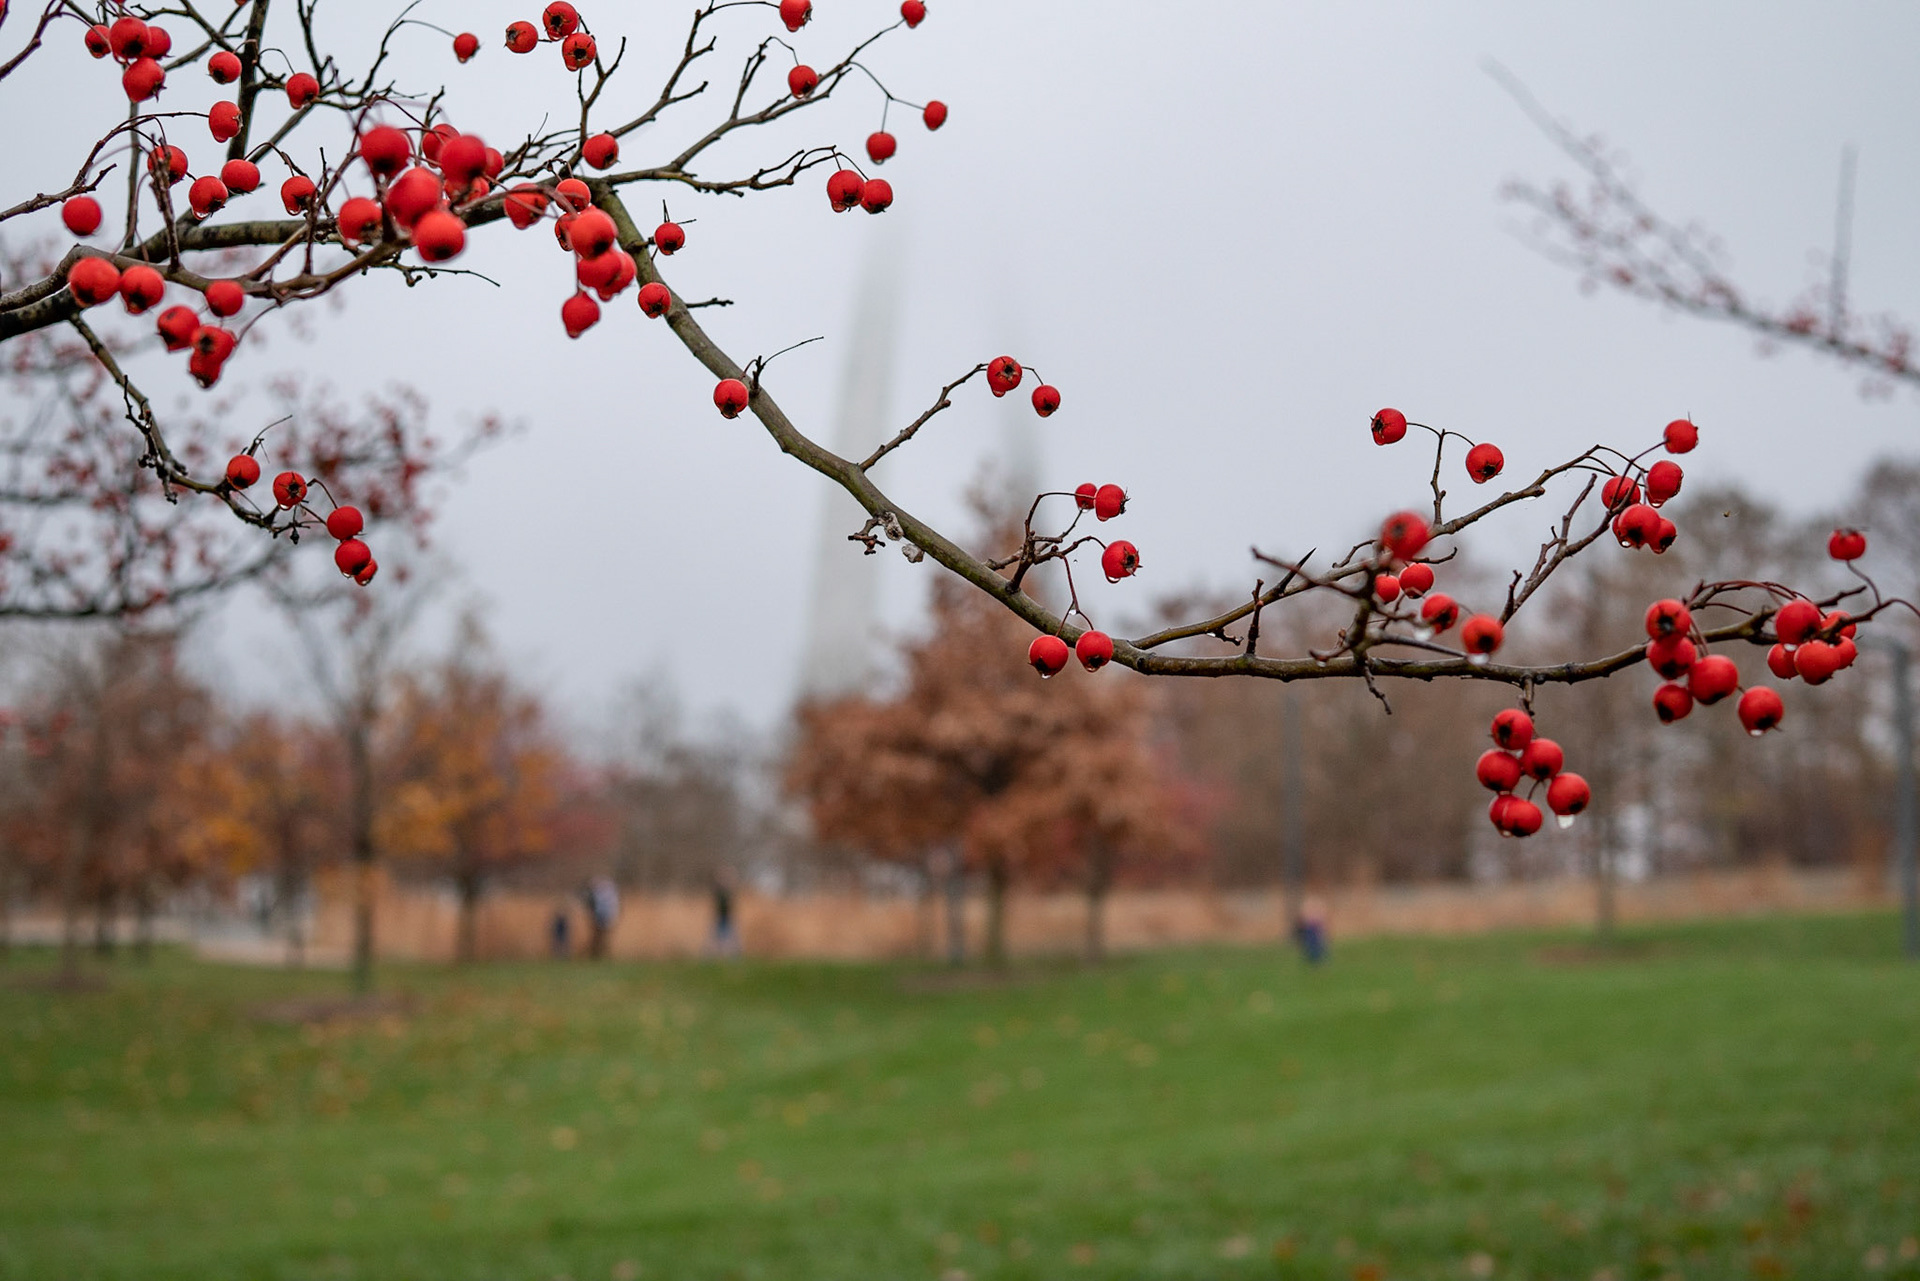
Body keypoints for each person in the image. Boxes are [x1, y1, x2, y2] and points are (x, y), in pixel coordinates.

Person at [583, 876, 619, 960]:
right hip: (602, 919)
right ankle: (597, 955)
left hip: (602, 919)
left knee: (600, 938)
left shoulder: (603, 896)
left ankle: (598, 955)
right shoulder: (608, 896)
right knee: (599, 939)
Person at [709, 872, 739, 958]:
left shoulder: (728, 893)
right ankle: (716, 955)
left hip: (728, 918)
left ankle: (731, 955)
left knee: (731, 937)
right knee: (718, 937)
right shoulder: (719, 893)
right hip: (720, 918)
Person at [1293, 894, 1329, 965]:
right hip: (1309, 927)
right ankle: (1312, 959)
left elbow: (1321, 916)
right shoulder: (1308, 904)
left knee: (1318, 944)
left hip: (1316, 927)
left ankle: (1318, 959)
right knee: (1310, 944)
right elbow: (1304, 916)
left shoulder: (1316, 904)